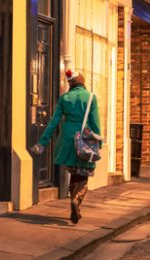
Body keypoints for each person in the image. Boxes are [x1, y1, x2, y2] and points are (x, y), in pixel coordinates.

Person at [30, 70, 100, 223]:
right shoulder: (90, 98)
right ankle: (76, 200)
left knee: (74, 171)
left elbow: (53, 122)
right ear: (82, 82)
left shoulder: (64, 98)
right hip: (85, 141)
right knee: (83, 174)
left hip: (68, 142)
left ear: (71, 84)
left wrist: (42, 143)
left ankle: (74, 203)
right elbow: (95, 123)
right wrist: (98, 143)